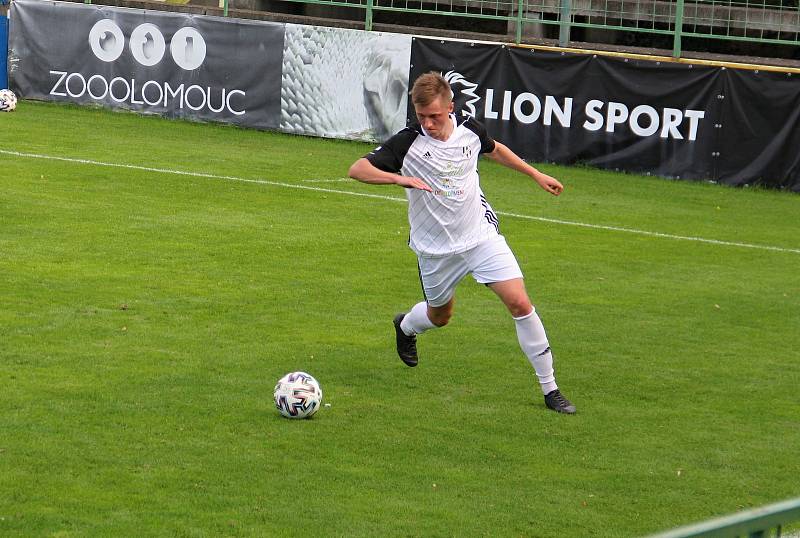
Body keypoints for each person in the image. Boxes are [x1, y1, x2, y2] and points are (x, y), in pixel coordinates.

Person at [348, 72, 576, 414]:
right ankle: (406, 325)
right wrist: (399, 178)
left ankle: (550, 388)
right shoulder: (407, 142)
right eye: (422, 116)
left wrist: (535, 174)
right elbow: (358, 169)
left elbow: (494, 150)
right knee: (441, 316)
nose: (428, 123)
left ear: (450, 107)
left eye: (435, 116)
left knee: (519, 302)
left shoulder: (470, 129)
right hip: (434, 248)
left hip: (480, 236)